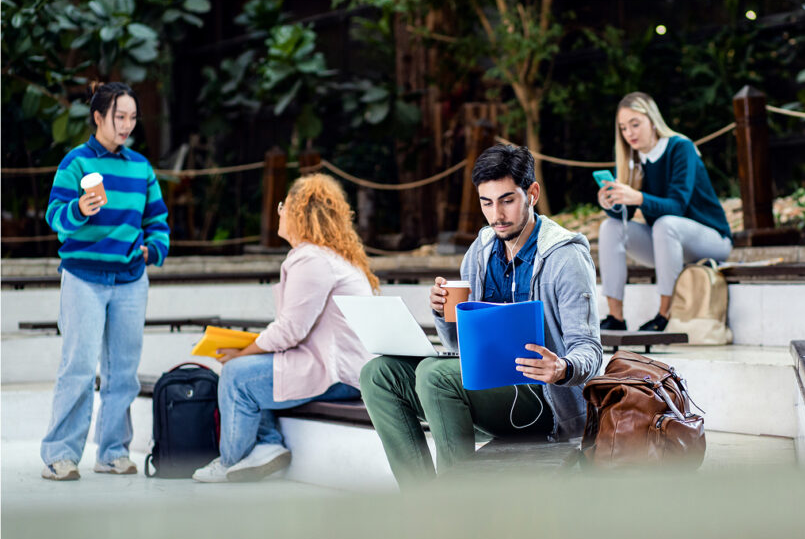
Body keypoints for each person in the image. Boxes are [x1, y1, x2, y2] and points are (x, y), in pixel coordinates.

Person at [359, 144, 602, 489]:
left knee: (434, 374)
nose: (496, 215)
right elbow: (460, 347)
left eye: (507, 200)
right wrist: (443, 311)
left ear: (532, 193)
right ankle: (421, 501)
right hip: (489, 392)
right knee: (377, 374)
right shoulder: (481, 250)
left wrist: (562, 368)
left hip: (542, 403)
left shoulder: (565, 257)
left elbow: (590, 349)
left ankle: (461, 505)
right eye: (486, 203)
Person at [192, 173, 377, 483]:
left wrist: (241, 353)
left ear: (299, 212)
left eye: (283, 205)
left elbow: (290, 331)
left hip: (337, 374)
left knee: (237, 375)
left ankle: (230, 462)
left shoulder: (311, 259)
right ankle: (266, 446)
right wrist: (249, 351)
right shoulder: (331, 258)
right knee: (253, 367)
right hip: (342, 370)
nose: (279, 211)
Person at [40, 82, 171, 481]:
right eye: (119, 117)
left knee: (123, 373)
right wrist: (79, 208)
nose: (127, 125)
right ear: (98, 117)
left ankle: (113, 452)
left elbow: (158, 222)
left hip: (131, 280)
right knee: (78, 367)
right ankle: (60, 455)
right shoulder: (75, 164)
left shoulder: (141, 167)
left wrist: (152, 249)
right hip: (83, 279)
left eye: (132, 118)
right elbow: (55, 219)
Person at [597, 92, 733, 332]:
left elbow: (677, 206)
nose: (630, 133)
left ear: (652, 121)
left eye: (635, 124)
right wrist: (612, 203)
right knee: (610, 227)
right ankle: (615, 318)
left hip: (711, 240)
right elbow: (624, 216)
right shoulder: (632, 159)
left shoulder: (681, 148)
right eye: (623, 128)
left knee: (666, 223)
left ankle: (665, 315)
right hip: (667, 244)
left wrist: (638, 197)